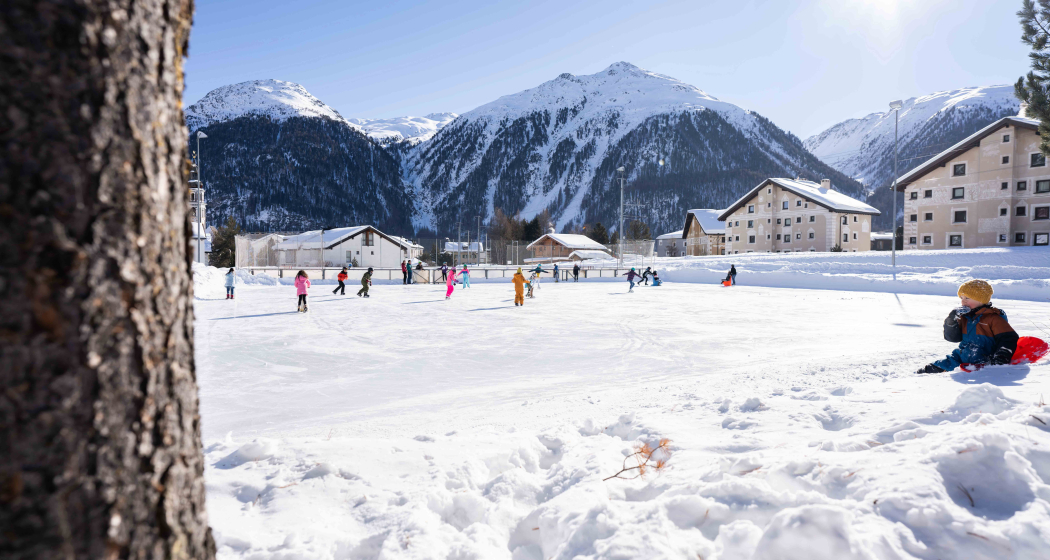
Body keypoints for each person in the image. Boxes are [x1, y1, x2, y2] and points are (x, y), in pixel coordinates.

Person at [917, 280, 1019, 374]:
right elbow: (953, 338)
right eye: (961, 298)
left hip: (985, 360)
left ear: (981, 300)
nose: (963, 301)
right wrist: (951, 321)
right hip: (961, 358)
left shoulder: (993, 318)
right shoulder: (965, 317)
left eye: (967, 298)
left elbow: (1009, 338)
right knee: (931, 369)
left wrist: (1001, 356)